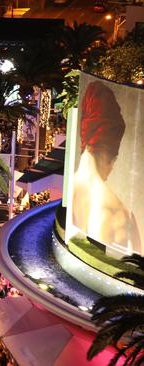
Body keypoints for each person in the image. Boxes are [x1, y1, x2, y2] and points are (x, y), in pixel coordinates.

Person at [72, 80, 141, 252]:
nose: (112, 169)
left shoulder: (70, 189)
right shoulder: (119, 215)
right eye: (114, 160)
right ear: (109, 155)